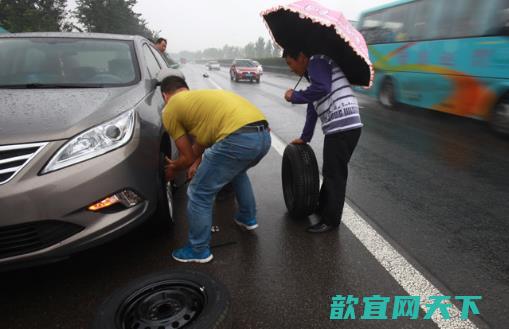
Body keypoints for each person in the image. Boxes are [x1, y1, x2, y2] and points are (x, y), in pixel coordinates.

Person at [161, 73, 271, 263]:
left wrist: (173, 168)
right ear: (184, 89)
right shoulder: (200, 101)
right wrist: (195, 162)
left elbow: (186, 157)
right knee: (237, 172)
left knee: (198, 192)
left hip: (238, 138)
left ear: (165, 95)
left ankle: (198, 250)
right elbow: (199, 147)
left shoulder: (170, 108)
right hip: (263, 136)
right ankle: (247, 218)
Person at [283, 48, 362, 233]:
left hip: (342, 126)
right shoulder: (315, 73)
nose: (290, 68)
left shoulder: (317, 61)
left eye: (290, 63)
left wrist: (295, 96)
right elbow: (313, 108)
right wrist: (305, 138)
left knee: (335, 175)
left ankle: (330, 220)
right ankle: (323, 206)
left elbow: (323, 89)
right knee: (331, 171)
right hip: (344, 126)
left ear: (301, 57)